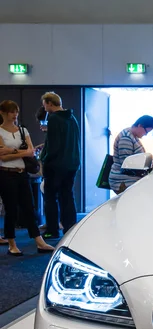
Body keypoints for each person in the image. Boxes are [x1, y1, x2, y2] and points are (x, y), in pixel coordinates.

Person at [0, 100, 54, 256]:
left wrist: (11, 151)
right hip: (5, 173)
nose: (14, 114)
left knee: (29, 208)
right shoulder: (0, 131)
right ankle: (11, 242)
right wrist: (19, 152)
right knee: (11, 210)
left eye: (16, 111)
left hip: (22, 173)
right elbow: (2, 158)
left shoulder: (23, 131)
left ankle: (38, 240)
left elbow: (30, 152)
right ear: (3, 113)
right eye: (11, 112)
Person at [40, 92, 81, 239]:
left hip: (55, 165)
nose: (44, 108)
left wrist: (43, 157)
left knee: (50, 197)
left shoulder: (54, 119)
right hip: (72, 164)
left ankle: (52, 229)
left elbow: (53, 146)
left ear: (50, 103)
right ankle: (70, 229)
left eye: (44, 104)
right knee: (67, 196)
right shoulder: (72, 118)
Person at [109, 115, 153, 194]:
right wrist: (149, 164)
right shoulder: (126, 138)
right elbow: (127, 164)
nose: (146, 134)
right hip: (123, 181)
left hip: (128, 179)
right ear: (140, 126)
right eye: (146, 131)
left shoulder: (133, 136)